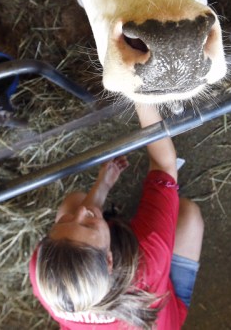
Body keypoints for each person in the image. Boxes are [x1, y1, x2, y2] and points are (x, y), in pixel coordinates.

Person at [29, 103, 204, 329]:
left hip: (113, 265)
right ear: (109, 260)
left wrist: (102, 187)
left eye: (64, 223)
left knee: (71, 203)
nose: (82, 211)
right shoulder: (148, 260)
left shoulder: (45, 274)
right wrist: (139, 95)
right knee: (188, 214)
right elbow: (163, 165)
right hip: (162, 297)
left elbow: (79, 218)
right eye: (89, 225)